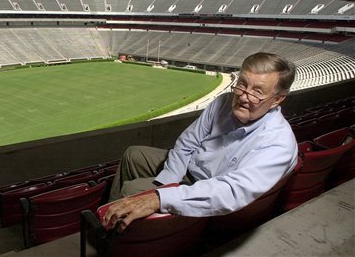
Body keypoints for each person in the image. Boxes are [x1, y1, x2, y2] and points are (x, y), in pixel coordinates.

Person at [103, 52, 298, 231]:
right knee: (133, 154)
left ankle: (122, 238)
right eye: (242, 84)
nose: (243, 96)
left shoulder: (278, 143)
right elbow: (187, 142)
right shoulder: (223, 102)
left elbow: (228, 192)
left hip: (206, 187)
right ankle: (106, 221)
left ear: (277, 99)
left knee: (131, 190)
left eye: (257, 92)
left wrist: (158, 197)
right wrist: (169, 180)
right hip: (187, 169)